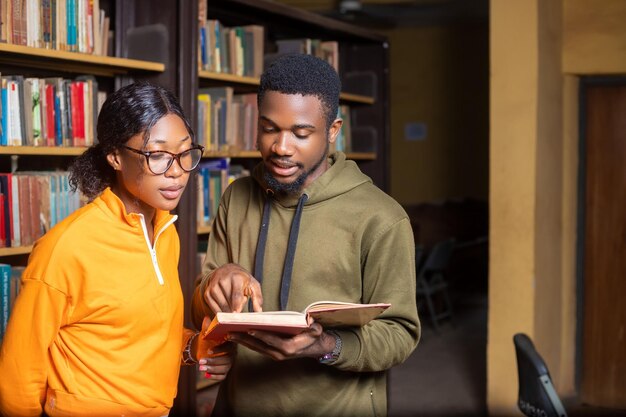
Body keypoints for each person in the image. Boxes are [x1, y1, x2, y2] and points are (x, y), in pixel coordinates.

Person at [191, 53, 421, 416]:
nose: (281, 147)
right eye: (269, 129)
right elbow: (201, 308)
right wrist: (213, 286)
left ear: (333, 130)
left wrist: (326, 345)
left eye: (301, 133)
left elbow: (400, 334)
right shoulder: (235, 197)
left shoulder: (382, 218)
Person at [0, 82, 232, 416]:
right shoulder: (66, 247)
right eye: (158, 156)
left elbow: (132, 331)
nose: (177, 171)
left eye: (184, 153)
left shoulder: (165, 232)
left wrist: (193, 347)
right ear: (114, 156)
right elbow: (16, 382)